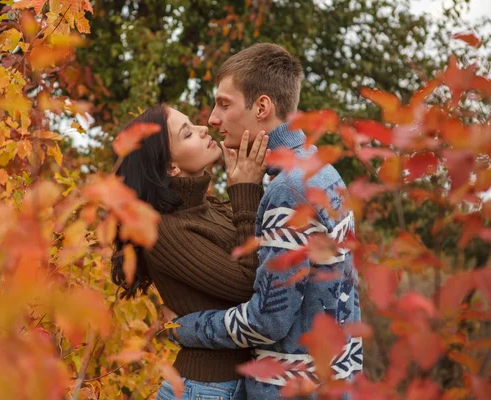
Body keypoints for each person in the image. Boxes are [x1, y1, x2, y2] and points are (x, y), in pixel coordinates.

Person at [169, 43, 362, 399]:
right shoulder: (321, 171)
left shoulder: (288, 191)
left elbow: (268, 320)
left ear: (261, 107)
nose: (212, 118)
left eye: (224, 104)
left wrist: (182, 327)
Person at [111, 104, 271, 399]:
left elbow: (265, 253)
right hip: (206, 389)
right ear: (170, 167)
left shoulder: (209, 209)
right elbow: (252, 285)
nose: (203, 129)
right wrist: (245, 189)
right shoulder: (165, 231)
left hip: (232, 386)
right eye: (187, 133)